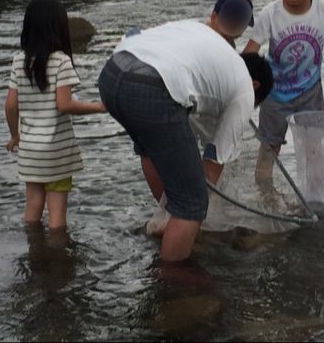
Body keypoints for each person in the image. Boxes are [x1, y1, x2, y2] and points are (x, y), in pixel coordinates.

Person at [98, 20, 273, 261]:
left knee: (150, 150)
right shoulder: (244, 89)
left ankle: (168, 223)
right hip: (152, 85)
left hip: (111, 74)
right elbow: (214, 161)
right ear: (256, 86)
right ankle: (174, 285)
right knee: (192, 203)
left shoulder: (213, 49)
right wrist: (199, 211)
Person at [243, 0, 324, 181]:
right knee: (269, 148)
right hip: (275, 95)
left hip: (310, 93)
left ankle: (315, 196)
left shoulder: (323, 10)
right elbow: (252, 49)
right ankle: (265, 196)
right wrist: (238, 78)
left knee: (313, 149)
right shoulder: (270, 13)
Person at [5, 0, 106, 230]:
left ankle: (34, 250)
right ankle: (58, 259)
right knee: (57, 212)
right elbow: (65, 104)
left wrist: (15, 136)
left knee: (33, 205)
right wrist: (99, 106)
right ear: (59, 28)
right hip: (57, 150)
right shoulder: (61, 61)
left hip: (30, 149)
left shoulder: (19, 60)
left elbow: (10, 105)